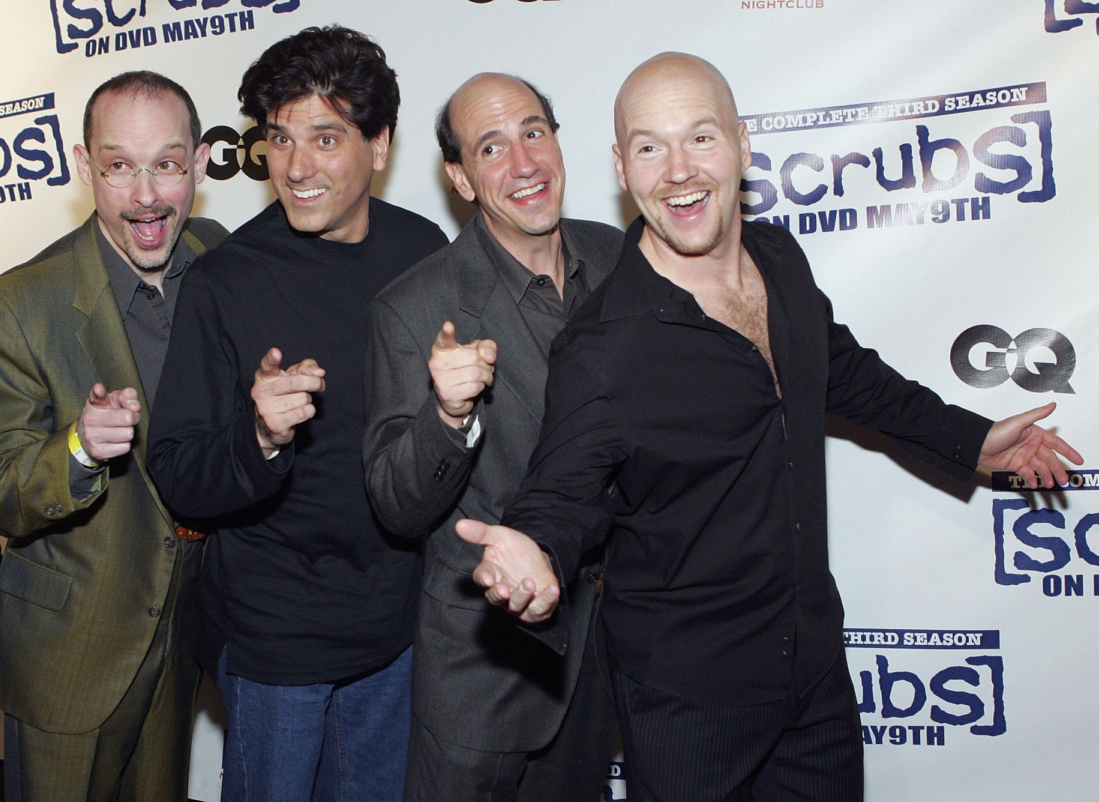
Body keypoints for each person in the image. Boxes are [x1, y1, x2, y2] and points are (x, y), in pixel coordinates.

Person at [455, 53, 1084, 802]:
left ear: (742, 145)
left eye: (701, 138)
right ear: (622, 168)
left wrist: (970, 440)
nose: (679, 171)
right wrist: (534, 547)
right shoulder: (605, 345)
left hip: (812, 670)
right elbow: (563, 488)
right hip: (689, 698)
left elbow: (842, 368)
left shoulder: (779, 259)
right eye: (651, 147)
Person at [146, 26, 448, 802]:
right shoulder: (225, 282)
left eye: (325, 138)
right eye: (280, 138)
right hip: (274, 640)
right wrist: (258, 438)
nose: (297, 166)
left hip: (394, 628)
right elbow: (177, 471)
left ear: (379, 144)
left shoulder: (423, 250)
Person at [0, 71, 223, 802]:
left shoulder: (220, 259)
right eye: (119, 167)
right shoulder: (15, 304)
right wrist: (76, 450)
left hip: (186, 637)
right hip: (70, 655)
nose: (146, 195)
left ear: (201, 162)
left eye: (167, 164)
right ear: (83, 167)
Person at [363, 73, 622, 801]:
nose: (524, 163)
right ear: (460, 177)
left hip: (611, 651)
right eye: (491, 147)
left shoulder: (620, 259)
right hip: (487, 673)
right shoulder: (414, 307)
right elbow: (394, 505)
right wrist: (447, 417)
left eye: (534, 132)